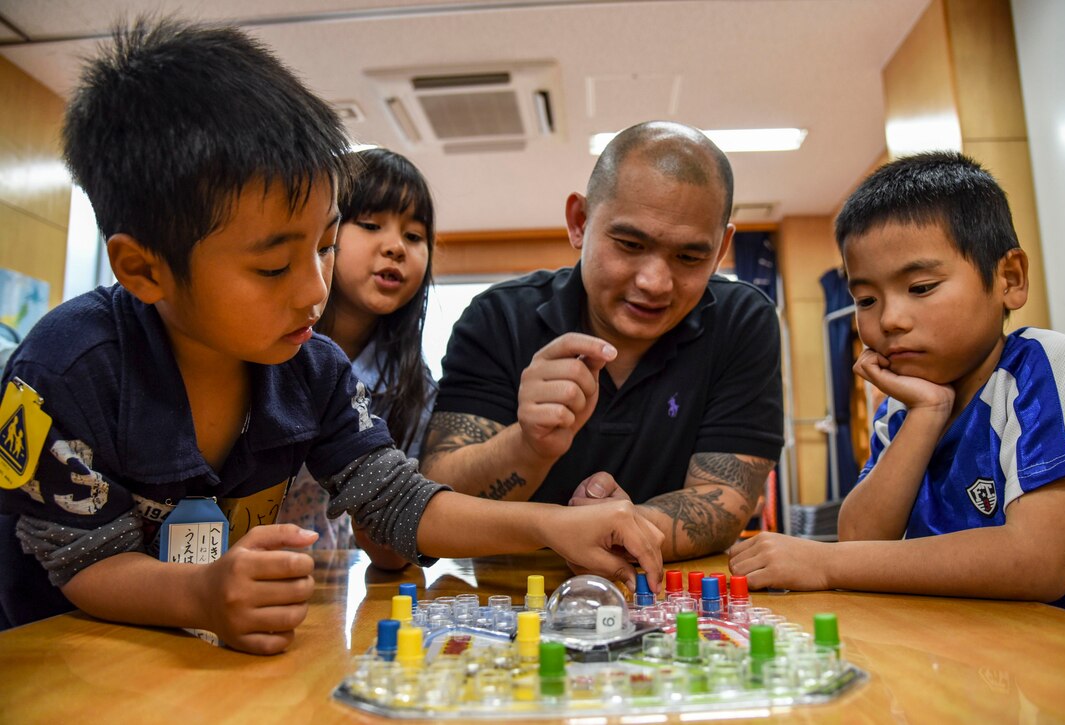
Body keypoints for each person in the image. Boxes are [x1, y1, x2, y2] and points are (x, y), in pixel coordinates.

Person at [0, 18, 663, 652]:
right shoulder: (65, 371)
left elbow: (401, 502)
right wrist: (198, 595)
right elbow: (86, 562)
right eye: (272, 265)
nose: (315, 288)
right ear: (144, 269)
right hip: (65, 657)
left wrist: (556, 527)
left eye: (324, 245)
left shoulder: (311, 368)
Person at [728, 151, 1065, 613]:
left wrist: (827, 564)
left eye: (920, 288)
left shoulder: (1047, 367)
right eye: (865, 299)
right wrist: (927, 413)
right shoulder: (901, 410)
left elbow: (1039, 561)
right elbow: (859, 537)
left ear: (1009, 278)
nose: (891, 320)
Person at [421, 121, 784, 562]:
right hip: (506, 598)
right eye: (630, 244)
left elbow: (722, 501)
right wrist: (528, 446)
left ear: (722, 248)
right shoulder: (498, 319)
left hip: (665, 597)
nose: (654, 283)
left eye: (690, 257)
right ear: (580, 222)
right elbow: (436, 497)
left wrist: (607, 530)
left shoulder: (741, 321)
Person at [279, 148, 437, 567]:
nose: (395, 247)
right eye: (370, 225)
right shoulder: (273, 347)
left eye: (414, 236)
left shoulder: (413, 385)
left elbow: (397, 529)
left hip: (328, 579)